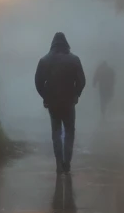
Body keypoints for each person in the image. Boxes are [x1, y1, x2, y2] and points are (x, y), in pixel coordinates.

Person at [34, 31, 86, 174]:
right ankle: (67, 163)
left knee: (56, 132)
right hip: (69, 102)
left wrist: (45, 96)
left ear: (53, 44)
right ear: (66, 43)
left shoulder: (44, 61)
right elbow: (82, 81)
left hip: (53, 103)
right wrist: (76, 94)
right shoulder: (74, 60)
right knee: (69, 132)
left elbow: (38, 82)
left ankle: (58, 163)